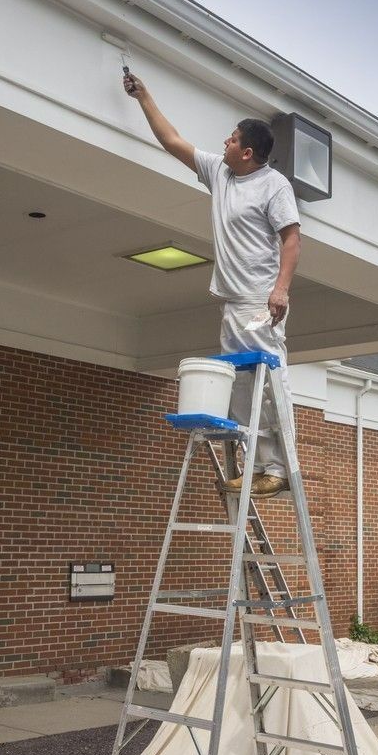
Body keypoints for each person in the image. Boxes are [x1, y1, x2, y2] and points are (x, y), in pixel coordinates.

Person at [123, 71, 301, 497]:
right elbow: (173, 141)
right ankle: (258, 466)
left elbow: (291, 238)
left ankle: (281, 468)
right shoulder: (220, 172)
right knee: (240, 389)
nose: (224, 142)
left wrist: (281, 290)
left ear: (249, 152)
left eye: (232, 138)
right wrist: (144, 94)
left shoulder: (273, 185)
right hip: (230, 300)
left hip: (261, 299)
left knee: (267, 384)